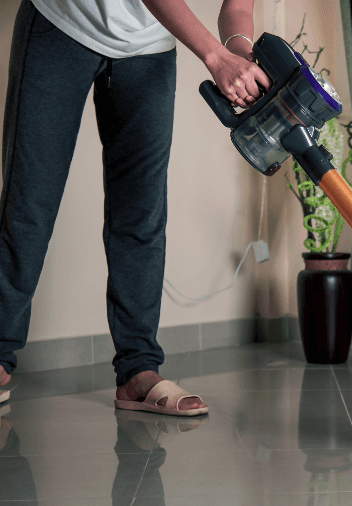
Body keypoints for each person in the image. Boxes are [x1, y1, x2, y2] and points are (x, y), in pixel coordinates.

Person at [0, 0, 272, 415]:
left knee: (141, 212)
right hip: (63, 23)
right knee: (29, 206)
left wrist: (239, 53)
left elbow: (238, 6)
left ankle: (138, 371)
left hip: (148, 48)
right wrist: (215, 58)